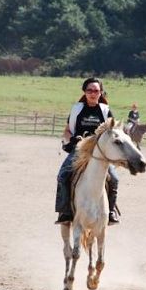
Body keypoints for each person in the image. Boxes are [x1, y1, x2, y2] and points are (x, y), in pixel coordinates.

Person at [55, 77, 119, 225]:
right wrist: (72, 139)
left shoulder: (105, 111)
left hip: (101, 153)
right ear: (84, 92)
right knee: (63, 175)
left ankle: (110, 211)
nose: (92, 93)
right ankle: (65, 211)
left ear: (101, 93)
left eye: (96, 91)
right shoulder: (77, 109)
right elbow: (66, 131)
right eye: (89, 90)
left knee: (114, 179)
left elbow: (112, 133)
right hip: (79, 150)